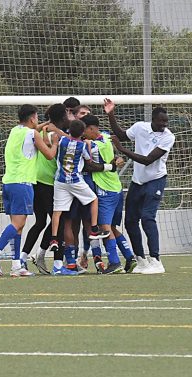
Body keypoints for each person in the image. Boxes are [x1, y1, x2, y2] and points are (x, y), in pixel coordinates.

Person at [0, 104, 57, 277]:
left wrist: (45, 124)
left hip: (8, 182)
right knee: (18, 224)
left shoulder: (15, 131)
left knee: (18, 226)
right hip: (22, 183)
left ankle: (17, 264)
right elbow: (49, 154)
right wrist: (54, 142)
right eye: (37, 118)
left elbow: (34, 129)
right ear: (32, 118)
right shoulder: (33, 134)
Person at [104, 98, 175, 274]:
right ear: (153, 119)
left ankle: (156, 261)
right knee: (130, 221)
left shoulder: (168, 137)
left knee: (147, 217)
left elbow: (147, 160)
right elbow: (121, 135)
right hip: (138, 181)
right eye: (161, 121)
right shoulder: (140, 127)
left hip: (156, 180)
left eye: (166, 122)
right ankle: (141, 261)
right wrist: (111, 113)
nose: (164, 125)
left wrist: (122, 150)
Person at [49, 119, 111, 275]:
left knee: (58, 212)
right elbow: (89, 160)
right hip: (77, 180)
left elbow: (59, 136)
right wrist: (89, 147)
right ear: (83, 132)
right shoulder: (83, 145)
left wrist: (52, 129)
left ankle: (54, 238)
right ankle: (95, 230)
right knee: (93, 202)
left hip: (60, 181)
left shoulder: (62, 140)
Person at [19, 103, 69, 275]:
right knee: (59, 221)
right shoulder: (58, 134)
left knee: (41, 221)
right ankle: (54, 263)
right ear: (64, 116)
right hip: (48, 182)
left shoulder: (40, 129)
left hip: (35, 180)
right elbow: (63, 144)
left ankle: (23, 258)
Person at [82, 114, 132, 274]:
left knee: (104, 227)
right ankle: (130, 258)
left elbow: (90, 166)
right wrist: (117, 159)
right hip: (117, 188)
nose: (83, 134)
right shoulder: (106, 137)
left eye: (85, 130)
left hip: (105, 191)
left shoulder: (93, 145)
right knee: (112, 227)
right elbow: (114, 154)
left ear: (91, 128)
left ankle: (115, 262)